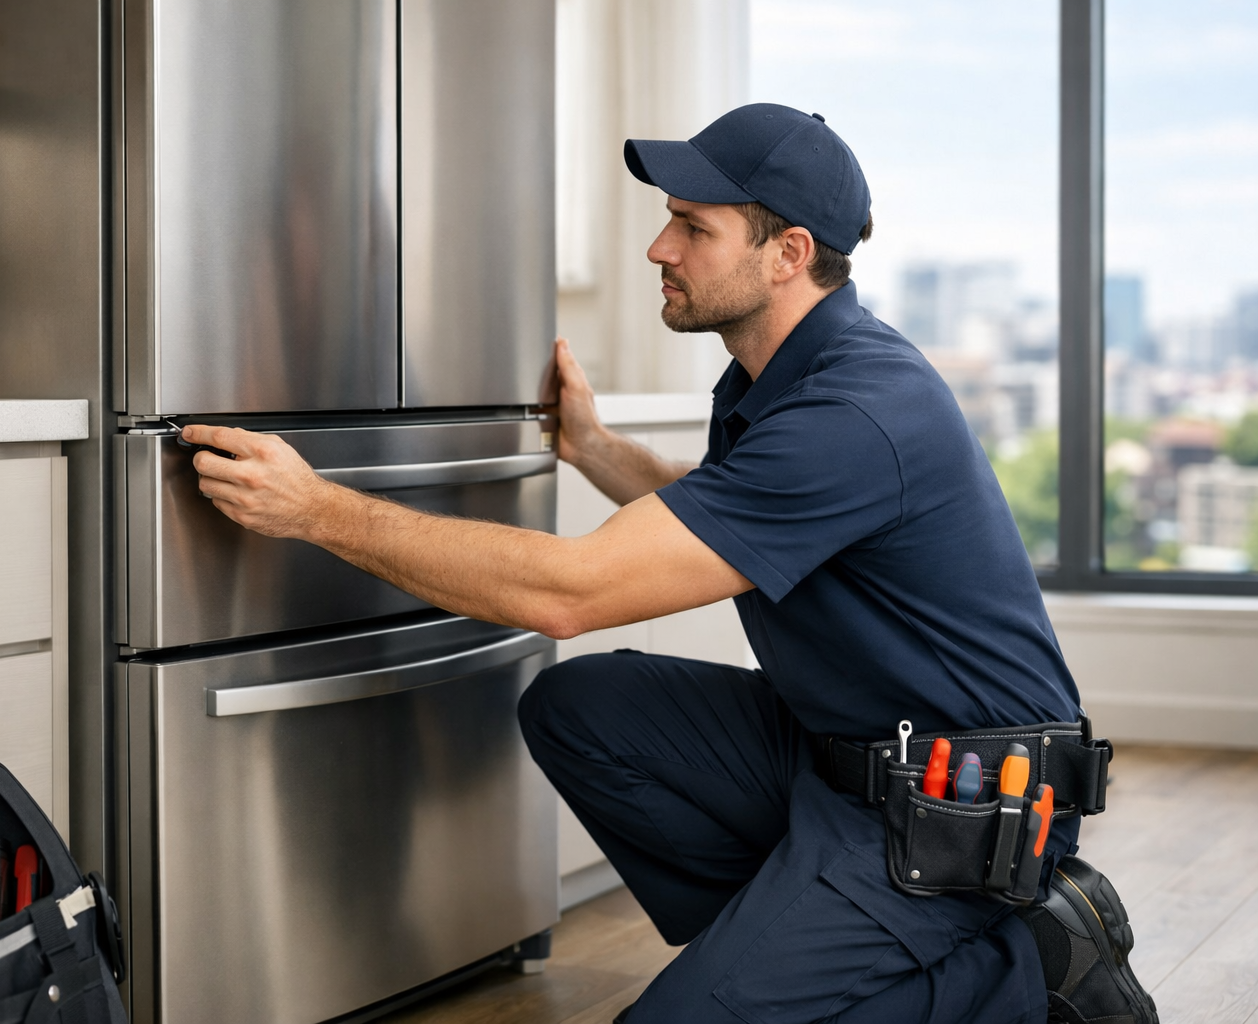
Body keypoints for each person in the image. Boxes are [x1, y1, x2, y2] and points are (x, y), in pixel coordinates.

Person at [182, 103, 1156, 1024]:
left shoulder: (854, 410)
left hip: (961, 810)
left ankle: (1030, 972)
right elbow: (720, 511)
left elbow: (571, 594)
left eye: (692, 226)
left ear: (788, 255)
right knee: (580, 711)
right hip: (843, 756)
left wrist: (316, 509)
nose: (659, 247)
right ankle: (786, 943)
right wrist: (598, 448)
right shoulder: (773, 378)